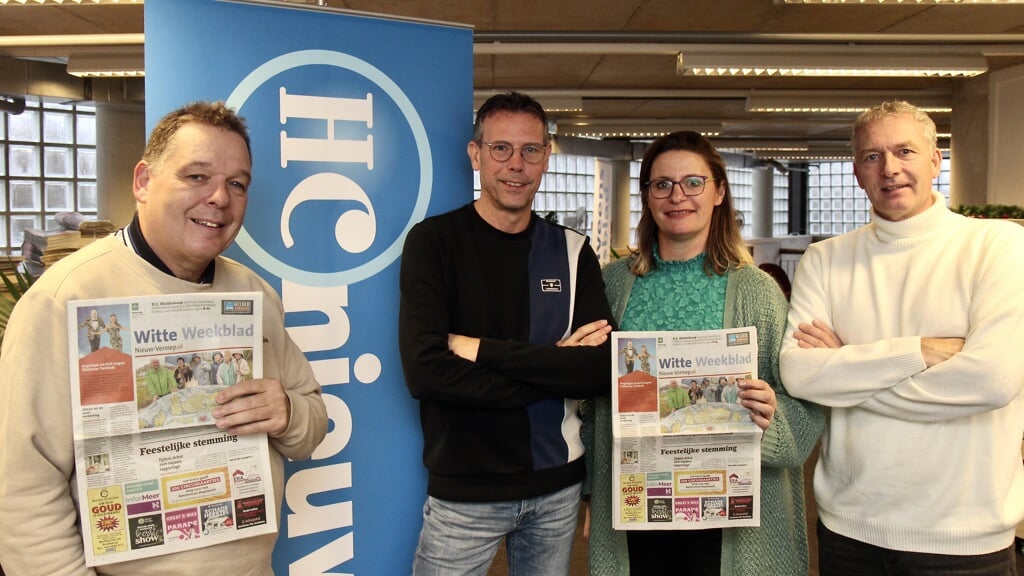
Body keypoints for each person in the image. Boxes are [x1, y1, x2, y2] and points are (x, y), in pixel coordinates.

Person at [0, 101, 328, 576]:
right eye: (196, 177)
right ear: (143, 182)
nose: (219, 197)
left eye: (237, 183)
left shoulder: (254, 294)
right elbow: (21, 486)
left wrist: (288, 413)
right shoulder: (64, 298)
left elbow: (311, 424)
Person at [779, 100, 1024, 575]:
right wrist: (922, 351)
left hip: (965, 537)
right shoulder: (826, 260)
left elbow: (993, 381)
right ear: (857, 171)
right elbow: (800, 373)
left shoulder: (999, 247)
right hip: (849, 528)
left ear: (935, 160)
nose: (890, 169)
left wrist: (847, 368)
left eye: (905, 151)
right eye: (872, 156)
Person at [582, 130, 824, 576]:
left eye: (693, 182)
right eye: (662, 184)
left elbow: (805, 405)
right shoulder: (613, 284)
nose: (678, 196)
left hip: (730, 506)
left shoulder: (758, 293)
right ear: (648, 196)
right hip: (640, 501)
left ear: (719, 192)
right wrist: (594, 491)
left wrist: (772, 418)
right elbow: (596, 403)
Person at [398, 91, 615, 576]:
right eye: (501, 149)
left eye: (530, 150)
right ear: (476, 155)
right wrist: (553, 364)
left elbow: (600, 369)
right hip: (465, 492)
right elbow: (427, 374)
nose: (516, 165)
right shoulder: (434, 244)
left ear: (546, 157)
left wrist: (482, 351)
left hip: (555, 487)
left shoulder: (572, 251)